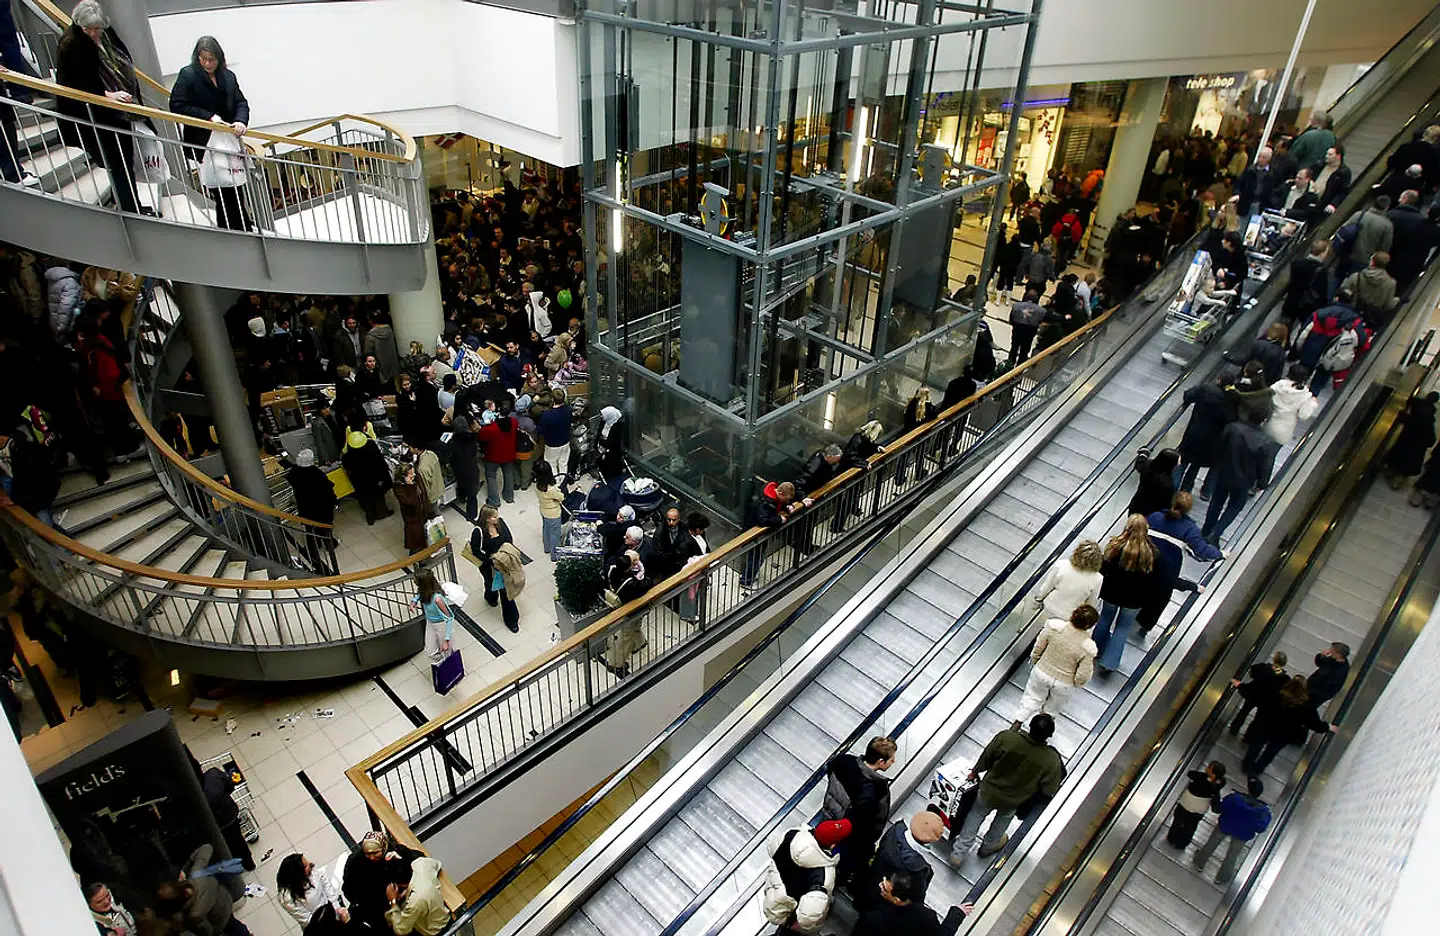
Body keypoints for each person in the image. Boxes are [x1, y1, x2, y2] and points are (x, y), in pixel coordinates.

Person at [56, 2, 146, 215]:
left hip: (121, 110)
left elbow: (122, 60)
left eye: (97, 28)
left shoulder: (106, 35)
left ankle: (129, 201)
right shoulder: (72, 45)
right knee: (119, 162)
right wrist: (108, 95)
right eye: (89, 29)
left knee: (125, 160)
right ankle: (130, 208)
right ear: (79, 25)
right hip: (100, 113)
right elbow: (74, 84)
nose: (94, 33)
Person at [169, 36, 252, 230]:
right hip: (206, 141)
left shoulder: (228, 76)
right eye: (203, 58)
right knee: (222, 188)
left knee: (236, 183)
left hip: (228, 138)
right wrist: (208, 117)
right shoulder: (188, 75)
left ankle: (238, 226)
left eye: (211, 59)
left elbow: (241, 102)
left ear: (219, 58)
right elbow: (177, 105)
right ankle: (235, 227)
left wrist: (240, 120)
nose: (207, 63)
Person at [954, 715, 1064, 859]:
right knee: (1002, 822)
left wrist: (975, 772)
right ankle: (988, 847)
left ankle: (958, 853)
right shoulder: (1051, 760)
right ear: (1049, 735)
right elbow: (1049, 789)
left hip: (988, 791)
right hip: (1013, 801)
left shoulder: (1007, 738)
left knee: (976, 815)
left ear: (1030, 726)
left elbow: (986, 757)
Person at [822, 736, 896, 889]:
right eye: (891, 759)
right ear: (880, 762)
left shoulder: (845, 760)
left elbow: (830, 770)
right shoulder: (876, 789)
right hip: (850, 834)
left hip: (829, 815)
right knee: (847, 858)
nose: (893, 762)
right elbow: (878, 819)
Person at [1093, 515, 1161, 676]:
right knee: (1122, 629)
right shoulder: (1152, 553)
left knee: (1104, 620)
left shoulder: (1115, 546)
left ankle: (1095, 650)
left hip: (1111, 594)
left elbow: (1104, 569)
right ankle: (1109, 664)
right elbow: (1153, 580)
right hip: (1134, 599)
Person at [760, 819, 851, 935]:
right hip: (791, 912)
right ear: (833, 846)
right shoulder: (824, 876)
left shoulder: (792, 834)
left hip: (774, 892)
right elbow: (808, 919)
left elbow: (772, 847)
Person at [1201, 408, 1278, 544]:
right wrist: (1262, 483)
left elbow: (1220, 446)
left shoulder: (1233, 428)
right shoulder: (1266, 442)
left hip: (1225, 472)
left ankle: (1206, 530)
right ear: (1264, 421)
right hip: (1245, 479)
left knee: (1216, 502)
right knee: (1234, 507)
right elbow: (1265, 466)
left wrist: (1216, 463)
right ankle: (1216, 533)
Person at [1015, 604, 1098, 725]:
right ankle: (1039, 732)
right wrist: (1077, 683)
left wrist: (1035, 659)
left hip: (1042, 671)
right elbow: (1083, 673)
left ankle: (1017, 724)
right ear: (1089, 625)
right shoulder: (1088, 647)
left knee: (1031, 699)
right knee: (1050, 711)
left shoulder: (1054, 627)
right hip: (1064, 683)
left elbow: (1039, 645)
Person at [1241, 676, 1337, 777]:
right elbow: (1315, 724)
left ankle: (1247, 765)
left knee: (1256, 745)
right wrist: (1328, 727)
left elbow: (1261, 701)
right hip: (1285, 734)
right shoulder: (1306, 706)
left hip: (1267, 726)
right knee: (1270, 752)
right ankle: (1257, 769)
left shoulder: (1276, 695)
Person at [1191, 776, 1271, 884]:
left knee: (1212, 843)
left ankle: (1199, 863)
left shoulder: (1235, 798)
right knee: (1232, 855)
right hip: (1243, 834)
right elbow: (1261, 828)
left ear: (1248, 788)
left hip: (1225, 825)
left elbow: (1220, 808)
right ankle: (1221, 878)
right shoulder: (1263, 811)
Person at [860, 811, 946, 909]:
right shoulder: (916, 870)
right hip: (883, 903)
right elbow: (916, 899)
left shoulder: (895, 829)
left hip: (870, 879)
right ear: (930, 840)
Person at [1175, 373, 1237, 498]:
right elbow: (1230, 419)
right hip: (1210, 441)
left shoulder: (1205, 389)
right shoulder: (1229, 400)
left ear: (1219, 380)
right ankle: (1185, 491)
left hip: (1193, 433)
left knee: (1182, 460)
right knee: (1195, 465)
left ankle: (1173, 487)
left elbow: (1187, 395)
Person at [852, 871, 968, 936]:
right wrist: (956, 914)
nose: (880, 886)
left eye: (885, 888)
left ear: (896, 899)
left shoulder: (874, 919)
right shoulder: (926, 916)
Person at [470, 505, 519, 630]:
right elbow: (476, 551)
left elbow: (509, 539)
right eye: (494, 517)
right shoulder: (478, 531)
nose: (497, 518)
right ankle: (490, 597)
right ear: (487, 519)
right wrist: (491, 560)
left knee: (505, 592)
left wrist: (503, 556)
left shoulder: (500, 523)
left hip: (503, 565)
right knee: (490, 583)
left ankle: (512, 620)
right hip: (489, 566)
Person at [1031, 539, 1103, 622]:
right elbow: (1091, 604)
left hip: (1049, 608)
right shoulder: (1098, 578)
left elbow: (1047, 587)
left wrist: (1038, 600)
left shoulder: (1061, 565)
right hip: (1070, 617)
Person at [341, 420, 393, 525]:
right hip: (375, 479)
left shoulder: (348, 456)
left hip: (359, 482)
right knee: (378, 497)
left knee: (365, 498)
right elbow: (381, 463)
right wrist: (385, 477)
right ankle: (382, 513)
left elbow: (347, 466)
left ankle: (370, 517)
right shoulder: (371, 447)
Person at [1166, 760, 1226, 849]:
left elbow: (1191, 773)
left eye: (1209, 767)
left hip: (1187, 803)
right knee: (1190, 826)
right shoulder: (1219, 784)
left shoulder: (1201, 778)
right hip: (1199, 808)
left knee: (1178, 821)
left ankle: (1172, 838)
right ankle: (1182, 843)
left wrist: (1204, 776)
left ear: (1213, 773)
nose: (1207, 768)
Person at [1383, 391, 1438, 489]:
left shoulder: (1414, 413)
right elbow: (1430, 440)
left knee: (1396, 460)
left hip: (1404, 441)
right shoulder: (1428, 421)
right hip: (1416, 450)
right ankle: (1396, 482)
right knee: (1405, 469)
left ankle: (1390, 472)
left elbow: (1405, 412)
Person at [276, 853, 347, 928]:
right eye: (305, 866)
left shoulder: (313, 872)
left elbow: (327, 886)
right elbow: (306, 919)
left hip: (332, 907)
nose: (310, 864)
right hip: (319, 924)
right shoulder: (286, 898)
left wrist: (337, 908)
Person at [384, 855, 449, 936]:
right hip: (438, 909)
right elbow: (437, 864)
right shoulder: (420, 863)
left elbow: (401, 930)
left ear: (397, 885)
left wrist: (392, 901)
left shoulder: (415, 901)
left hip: (435, 929)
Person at [1229, 651, 1289, 738]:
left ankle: (1234, 729)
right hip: (1267, 700)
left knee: (1244, 711)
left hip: (1254, 694)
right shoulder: (1284, 678)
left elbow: (1252, 673)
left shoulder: (1262, 667)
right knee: (1258, 719)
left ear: (1274, 659)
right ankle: (1249, 736)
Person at [1262, 364, 1319, 449]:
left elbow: (1265, 399)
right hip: (1282, 432)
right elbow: (1303, 415)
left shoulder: (1278, 385)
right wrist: (1313, 404)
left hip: (1266, 424)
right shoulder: (1304, 396)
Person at [1342, 250, 1400, 332]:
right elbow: (1388, 305)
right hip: (1370, 321)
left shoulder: (1357, 276)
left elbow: (1344, 291)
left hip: (1350, 314)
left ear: (1372, 262)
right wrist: (1396, 300)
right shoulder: (1391, 284)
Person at [477, 399, 518, 506]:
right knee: (508, 474)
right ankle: (509, 496)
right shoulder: (514, 422)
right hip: (509, 454)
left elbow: (481, 438)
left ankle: (494, 500)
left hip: (493, 456)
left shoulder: (491, 428)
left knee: (491, 476)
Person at [1284, 240, 1331, 326]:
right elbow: (1321, 291)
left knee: (1286, 326)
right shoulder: (1321, 271)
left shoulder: (1296, 263)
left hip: (1291, 301)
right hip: (1307, 306)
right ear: (1322, 253)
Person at [1225, 322, 1288, 387]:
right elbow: (1277, 375)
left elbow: (1243, 361)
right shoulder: (1281, 353)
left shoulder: (1258, 344)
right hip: (1261, 383)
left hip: (1247, 377)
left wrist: (1227, 356)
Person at [392, 463, 435, 553]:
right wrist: (410, 486)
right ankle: (417, 559)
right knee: (416, 540)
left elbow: (424, 493)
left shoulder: (417, 478)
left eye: (413, 472)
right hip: (412, 517)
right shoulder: (399, 488)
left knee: (425, 536)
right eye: (411, 474)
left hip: (423, 512)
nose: (414, 475)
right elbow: (411, 502)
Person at [448, 406, 482, 522]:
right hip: (471, 469)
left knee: (461, 485)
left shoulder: (452, 442)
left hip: (458, 469)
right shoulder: (472, 439)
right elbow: (474, 453)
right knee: (472, 494)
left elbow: (450, 456)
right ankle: (471, 515)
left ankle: (462, 497)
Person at [1127, 447, 1179, 518]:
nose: (1179, 464)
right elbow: (1165, 504)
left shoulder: (1147, 465)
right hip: (1150, 513)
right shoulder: (1167, 484)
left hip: (1136, 505)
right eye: (1177, 463)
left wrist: (1144, 453)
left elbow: (1140, 462)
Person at [538, 386, 572, 483]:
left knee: (551, 464)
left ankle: (556, 483)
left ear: (552, 399)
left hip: (552, 444)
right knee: (563, 463)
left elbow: (541, 431)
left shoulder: (547, 415)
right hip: (565, 441)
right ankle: (563, 482)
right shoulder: (567, 409)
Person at [534, 460, 564, 558]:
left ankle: (547, 548)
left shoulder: (538, 485)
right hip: (554, 514)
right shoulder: (551, 489)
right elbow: (561, 497)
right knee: (555, 534)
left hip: (543, 510)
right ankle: (555, 555)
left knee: (546, 529)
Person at [1306, 641, 1351, 705]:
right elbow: (1320, 663)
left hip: (1315, 695)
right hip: (1309, 687)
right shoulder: (1332, 659)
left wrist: (1314, 693)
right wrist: (1321, 656)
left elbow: (1330, 687)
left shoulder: (1341, 671)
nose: (1330, 652)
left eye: (1332, 651)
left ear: (1338, 654)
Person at [1008, 288, 1044, 365]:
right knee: (1024, 351)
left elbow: (1011, 319)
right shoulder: (1041, 311)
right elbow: (1040, 321)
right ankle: (1019, 368)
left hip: (1018, 329)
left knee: (1014, 347)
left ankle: (1009, 365)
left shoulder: (1016, 306)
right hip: (1030, 331)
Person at [596, 405, 627, 479]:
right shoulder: (605, 422)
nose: (601, 417)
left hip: (612, 452)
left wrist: (604, 447)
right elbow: (599, 433)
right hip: (602, 448)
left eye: (603, 415)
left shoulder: (618, 426)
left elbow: (613, 442)